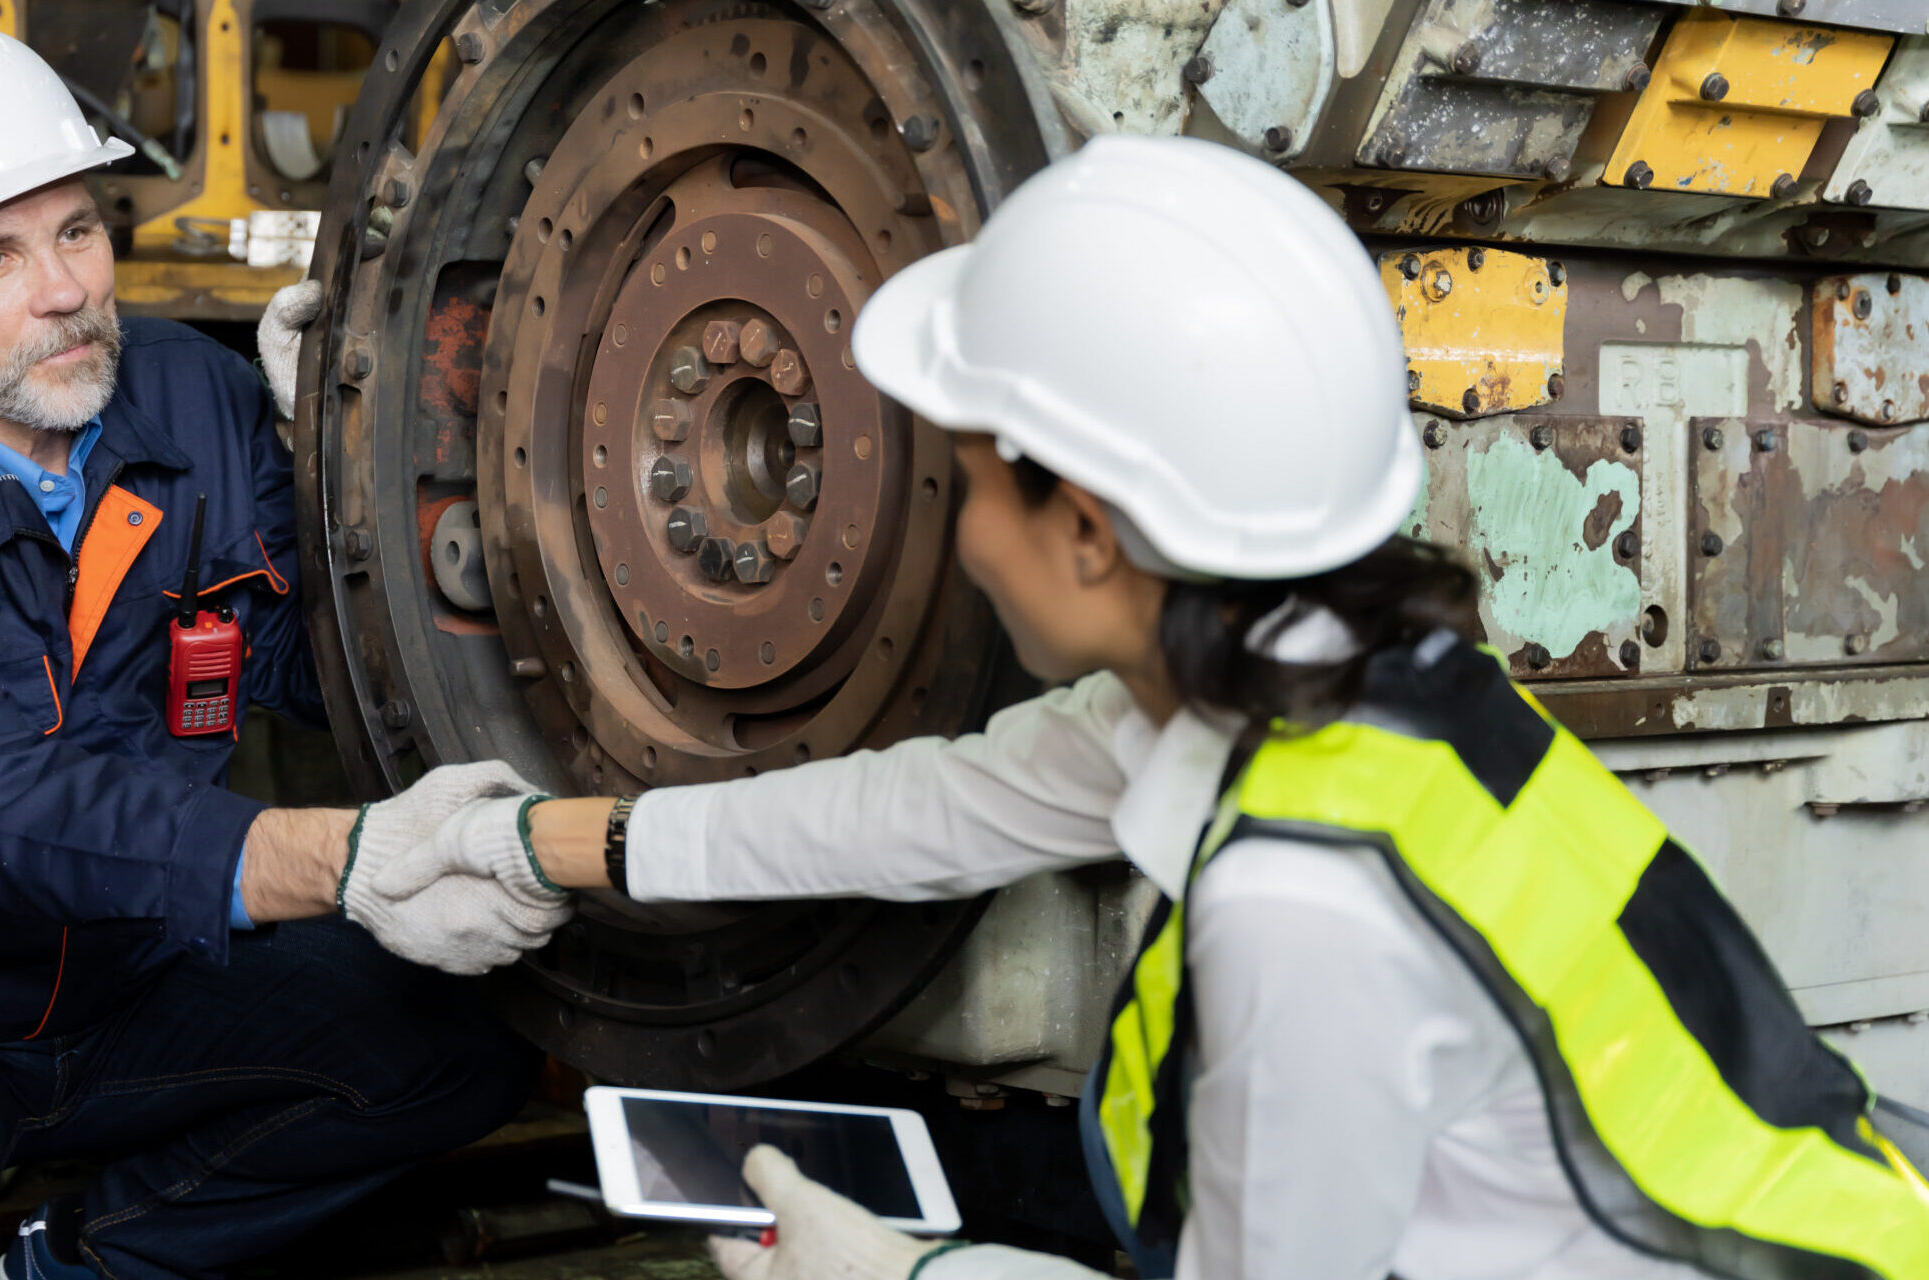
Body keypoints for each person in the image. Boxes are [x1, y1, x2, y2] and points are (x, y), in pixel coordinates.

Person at [371, 137, 1929, 1278]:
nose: (961, 534)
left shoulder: (1307, 899)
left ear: (1092, 531)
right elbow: (920, 811)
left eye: (970, 481)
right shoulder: (1342, 686)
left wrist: (908, 1278)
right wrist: (543, 843)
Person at [0, 19, 567, 1280]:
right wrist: (340, 855)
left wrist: (376, 482)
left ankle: (72, 1266)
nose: (67, 289)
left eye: (77, 230)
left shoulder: (195, 400)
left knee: (465, 1032)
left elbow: (324, 669)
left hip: (128, 971)